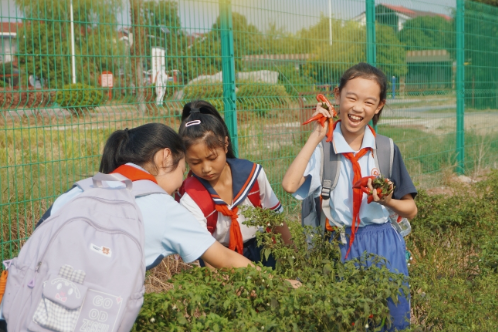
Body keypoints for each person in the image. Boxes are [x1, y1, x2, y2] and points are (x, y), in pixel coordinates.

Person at [281, 63, 417, 331]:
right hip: (339, 242)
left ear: (378, 107)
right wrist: (317, 135)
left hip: (384, 242)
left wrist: (386, 200)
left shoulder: (386, 148)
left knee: (394, 320)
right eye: (351, 98)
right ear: (337, 96)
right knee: (345, 320)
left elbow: (410, 209)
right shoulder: (323, 150)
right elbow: (289, 185)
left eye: (369, 101)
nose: (357, 108)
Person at [37, 123, 256, 271]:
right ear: (165, 157)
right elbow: (226, 259)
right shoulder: (163, 209)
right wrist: (283, 283)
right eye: (183, 169)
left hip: (14, 306)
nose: (182, 181)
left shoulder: (79, 190)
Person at [176, 100, 292, 268]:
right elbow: (206, 253)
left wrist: (294, 260)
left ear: (225, 144)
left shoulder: (252, 175)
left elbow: (277, 221)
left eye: (212, 158)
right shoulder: (191, 196)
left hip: (260, 250)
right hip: (216, 257)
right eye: (195, 162)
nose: (206, 168)